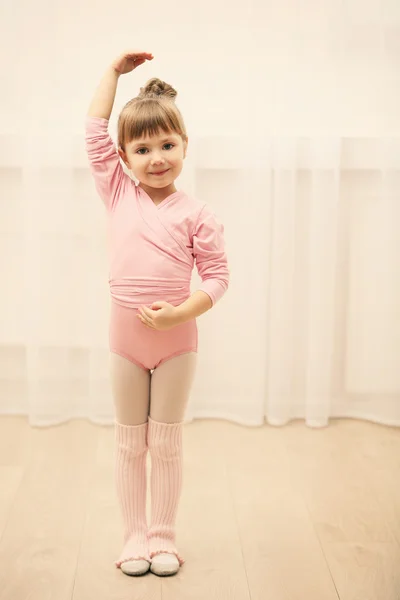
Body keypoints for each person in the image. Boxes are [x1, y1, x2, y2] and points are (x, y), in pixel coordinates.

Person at [85, 50, 229, 577]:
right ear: (123, 157)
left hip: (176, 343)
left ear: (185, 146)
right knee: (129, 441)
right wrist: (112, 75)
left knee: (165, 441)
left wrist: (180, 314)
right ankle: (133, 537)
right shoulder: (118, 192)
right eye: (142, 149)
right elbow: (93, 131)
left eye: (167, 145)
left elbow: (216, 277)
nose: (157, 157)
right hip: (125, 339)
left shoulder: (198, 214)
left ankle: (164, 536)